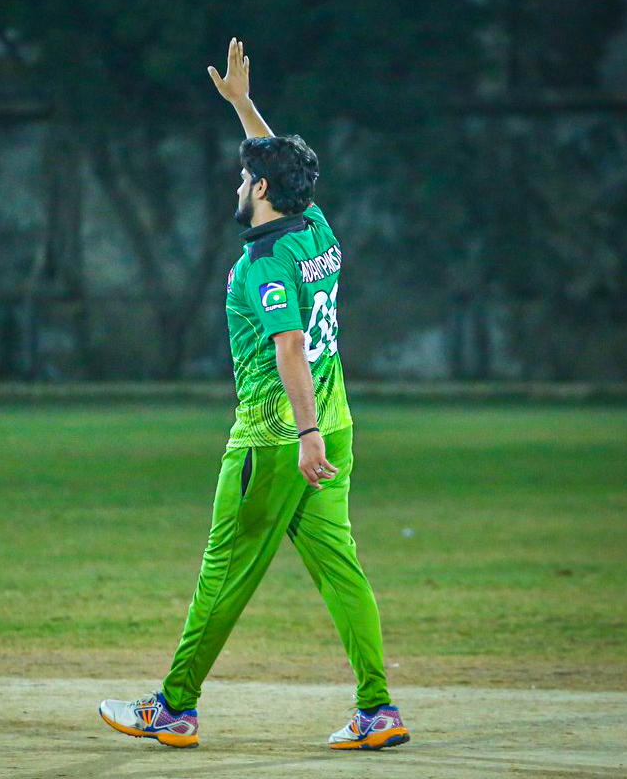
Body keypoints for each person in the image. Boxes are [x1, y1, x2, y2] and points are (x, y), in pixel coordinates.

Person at [98, 39, 409, 752]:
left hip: (278, 438)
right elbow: (284, 169)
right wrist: (242, 104)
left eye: (244, 177)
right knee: (341, 569)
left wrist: (302, 435)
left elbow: (289, 344)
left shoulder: (262, 263)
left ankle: (174, 707)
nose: (238, 185)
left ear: (261, 190)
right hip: (334, 424)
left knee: (223, 570)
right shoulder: (315, 227)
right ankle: (377, 708)